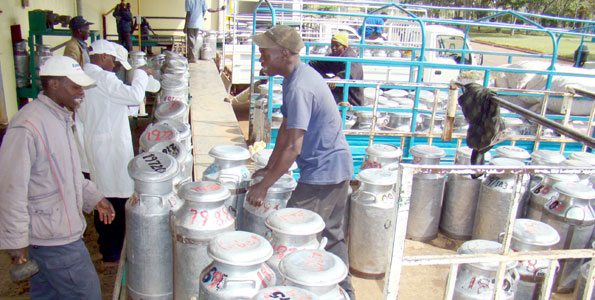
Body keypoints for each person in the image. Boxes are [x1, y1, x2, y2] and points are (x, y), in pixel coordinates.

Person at [246, 25, 355, 299]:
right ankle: (345, 292)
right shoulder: (296, 78)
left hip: (323, 174)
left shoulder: (299, 87)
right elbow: (286, 129)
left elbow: (294, 146)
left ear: (284, 53)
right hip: (334, 168)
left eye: (265, 53)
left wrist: (263, 186)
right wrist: (269, 168)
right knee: (331, 234)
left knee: (291, 237)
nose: (261, 58)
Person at [0, 56, 115, 299]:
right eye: (75, 87)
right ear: (53, 84)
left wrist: (93, 197)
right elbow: (11, 189)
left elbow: (67, 174)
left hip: (50, 232)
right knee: (87, 294)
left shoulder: (59, 118)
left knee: (47, 294)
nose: (81, 93)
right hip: (56, 238)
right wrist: (16, 242)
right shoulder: (28, 126)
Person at [77, 40, 150, 267]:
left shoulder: (84, 76)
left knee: (103, 196)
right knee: (115, 201)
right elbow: (135, 96)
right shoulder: (102, 77)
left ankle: (108, 248)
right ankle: (113, 253)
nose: (115, 66)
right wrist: (141, 75)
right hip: (109, 149)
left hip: (94, 145)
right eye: (115, 61)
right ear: (104, 56)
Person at [309, 32, 364, 106]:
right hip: (339, 92)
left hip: (351, 99)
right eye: (332, 45)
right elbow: (316, 64)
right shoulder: (335, 56)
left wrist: (338, 78)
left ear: (344, 47)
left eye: (337, 46)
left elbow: (351, 72)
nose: (333, 48)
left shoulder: (351, 57)